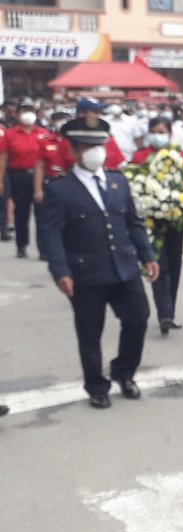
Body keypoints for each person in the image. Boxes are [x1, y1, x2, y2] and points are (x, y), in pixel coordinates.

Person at [37, 118, 160, 409]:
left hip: (124, 267)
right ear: (75, 150)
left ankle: (124, 372)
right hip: (85, 272)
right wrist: (60, 271)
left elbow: (133, 223)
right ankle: (96, 385)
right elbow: (50, 235)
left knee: (138, 318)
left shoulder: (118, 180)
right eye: (89, 146)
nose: (96, 151)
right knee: (90, 333)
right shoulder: (60, 189)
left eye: (99, 145)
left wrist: (148, 256)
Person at [132, 117, 183, 336]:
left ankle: (170, 311)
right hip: (150, 219)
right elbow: (133, 185)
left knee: (175, 265)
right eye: (154, 131)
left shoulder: (179, 156)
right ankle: (164, 313)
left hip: (176, 218)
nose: (159, 136)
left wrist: (182, 201)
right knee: (159, 265)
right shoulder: (140, 157)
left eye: (162, 132)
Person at [5, 102, 52, 258]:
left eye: (30, 111)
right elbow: (3, 158)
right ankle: (21, 245)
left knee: (42, 214)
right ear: (18, 115)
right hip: (19, 175)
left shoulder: (43, 133)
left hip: (40, 176)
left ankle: (43, 249)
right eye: (24, 111)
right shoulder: (10, 134)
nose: (28, 114)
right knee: (21, 212)